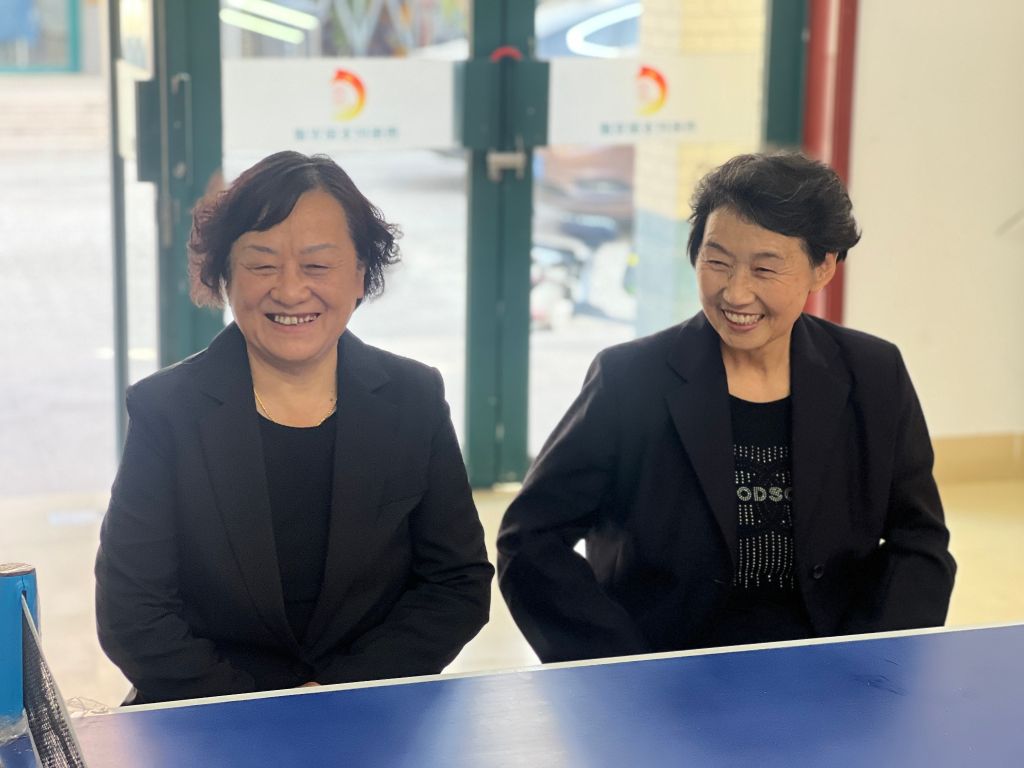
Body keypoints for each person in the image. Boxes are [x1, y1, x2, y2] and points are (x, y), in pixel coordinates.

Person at [497, 152, 956, 663]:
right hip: (663, 670)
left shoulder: (873, 373)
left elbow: (920, 541)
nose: (736, 293)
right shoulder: (630, 379)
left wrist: (869, 660)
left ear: (823, 267)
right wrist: (620, 665)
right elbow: (531, 541)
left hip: (833, 667)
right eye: (717, 262)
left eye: (765, 268)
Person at [95, 151, 493, 703]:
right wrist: (260, 710)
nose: (289, 290)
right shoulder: (167, 409)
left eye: (317, 266)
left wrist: (337, 695)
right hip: (207, 716)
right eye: (261, 266)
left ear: (361, 275)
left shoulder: (413, 397)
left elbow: (456, 582)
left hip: (376, 708)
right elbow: (133, 611)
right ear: (224, 277)